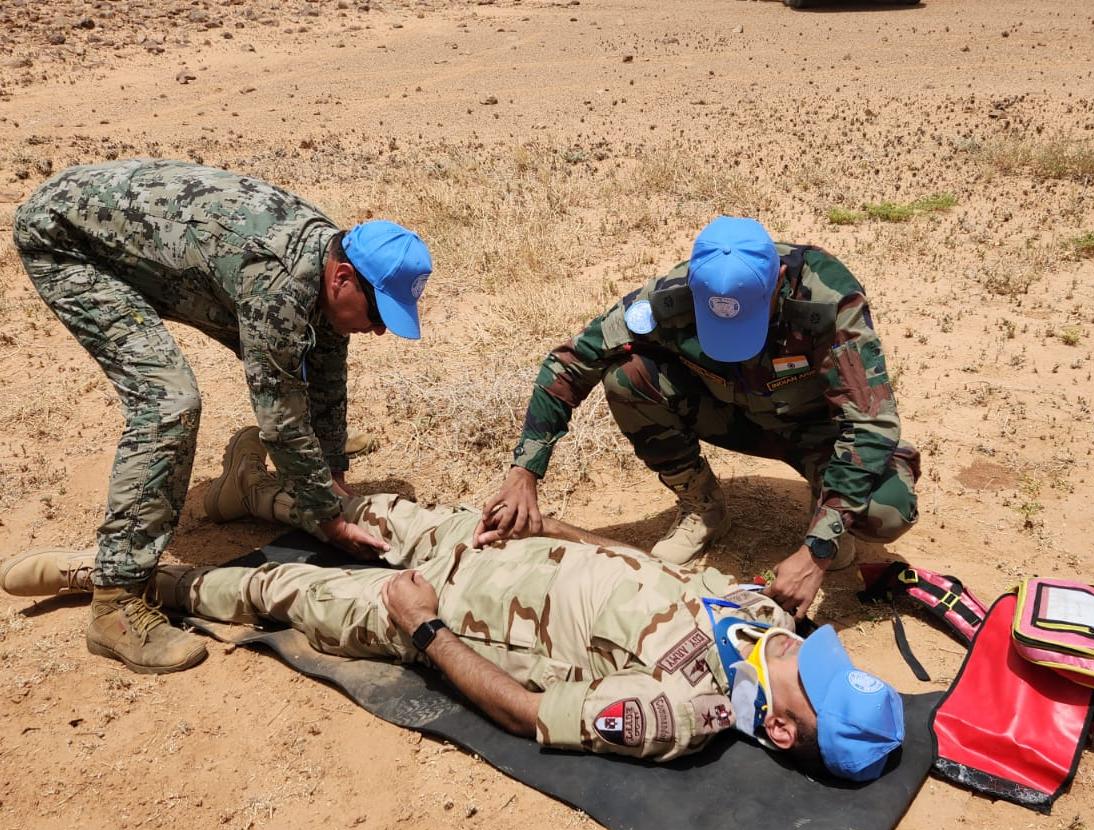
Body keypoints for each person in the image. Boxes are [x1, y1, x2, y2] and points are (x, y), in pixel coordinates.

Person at [0, 428, 905, 781]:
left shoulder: (683, 710)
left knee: (280, 592)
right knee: (360, 511)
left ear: (779, 728)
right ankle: (252, 492)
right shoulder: (770, 629)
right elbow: (641, 572)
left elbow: (528, 714)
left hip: (457, 609)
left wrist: (422, 626)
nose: (809, 656)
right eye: (828, 661)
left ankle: (117, 577)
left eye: (812, 683)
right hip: (500, 547)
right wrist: (561, 528)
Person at [9, 160, 433, 675]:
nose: (381, 331)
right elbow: (280, 418)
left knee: (302, 346)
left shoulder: (326, 257)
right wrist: (329, 517)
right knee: (168, 403)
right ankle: (115, 603)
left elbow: (323, 362)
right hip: (67, 244)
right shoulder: (278, 282)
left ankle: (242, 489)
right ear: (342, 278)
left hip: (134, 237)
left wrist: (332, 476)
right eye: (379, 313)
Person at [478, 216, 920, 616]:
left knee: (887, 510)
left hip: (816, 430)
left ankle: (825, 496)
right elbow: (570, 363)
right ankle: (704, 507)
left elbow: (870, 424)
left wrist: (817, 551)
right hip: (731, 414)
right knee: (627, 378)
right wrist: (524, 471)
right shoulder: (668, 297)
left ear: (778, 283)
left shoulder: (828, 299)